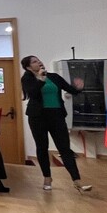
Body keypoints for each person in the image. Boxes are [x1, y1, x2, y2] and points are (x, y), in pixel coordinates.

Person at [21, 55, 92, 193]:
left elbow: (69, 89)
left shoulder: (54, 77)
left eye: (39, 60)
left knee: (64, 148)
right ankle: (47, 178)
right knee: (42, 147)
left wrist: (78, 88)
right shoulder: (27, 79)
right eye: (34, 61)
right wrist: (41, 79)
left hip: (57, 116)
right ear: (28, 67)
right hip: (38, 117)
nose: (39, 62)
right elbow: (32, 93)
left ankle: (77, 180)